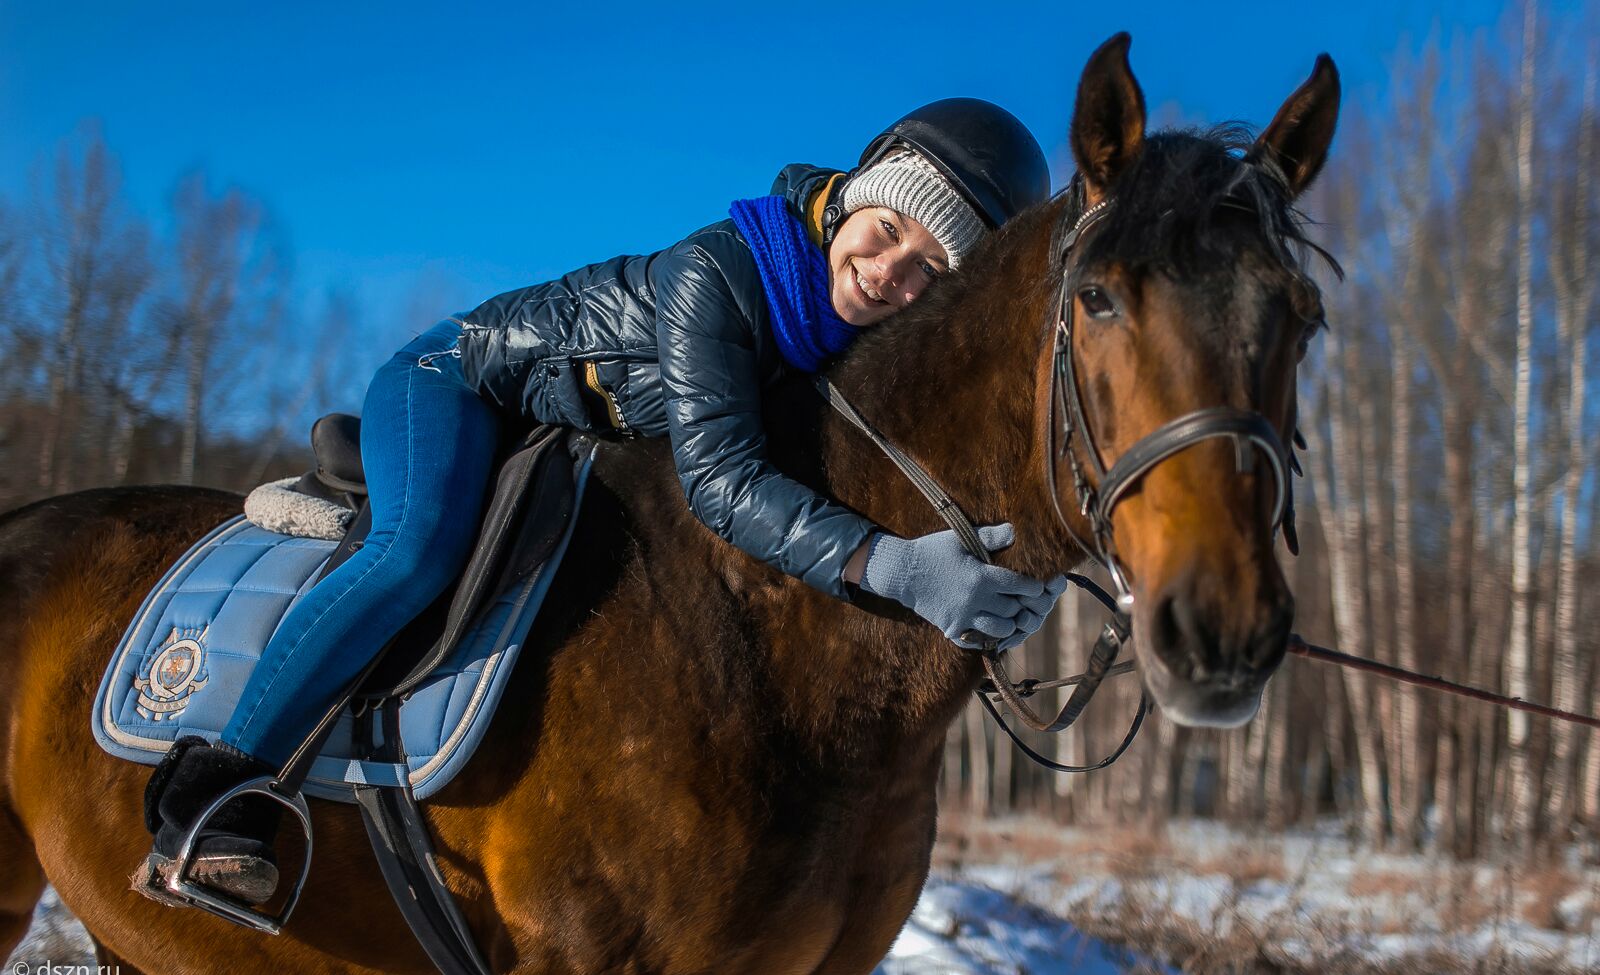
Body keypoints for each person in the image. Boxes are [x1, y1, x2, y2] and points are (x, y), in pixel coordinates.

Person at [135, 98, 1068, 908]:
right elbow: (720, 479)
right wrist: (893, 568)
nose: (893, 272)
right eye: (891, 230)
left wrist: (1006, 570)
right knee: (417, 550)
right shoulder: (726, 272)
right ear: (858, 191)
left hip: (578, 432)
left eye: (931, 270)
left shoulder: (846, 336)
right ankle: (218, 794)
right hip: (455, 382)